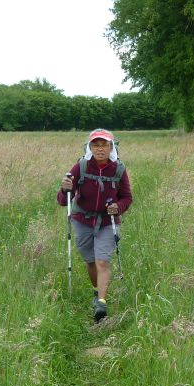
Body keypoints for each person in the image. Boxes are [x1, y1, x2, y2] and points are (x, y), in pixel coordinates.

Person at [58, 129, 133, 323]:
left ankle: (101, 302)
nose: (100, 149)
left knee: (102, 262)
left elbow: (127, 197)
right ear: (90, 148)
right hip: (82, 220)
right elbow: (63, 199)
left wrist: (118, 207)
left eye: (104, 145)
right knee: (91, 261)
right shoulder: (81, 167)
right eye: (96, 145)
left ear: (111, 147)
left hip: (108, 222)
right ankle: (96, 291)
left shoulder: (119, 169)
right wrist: (64, 189)